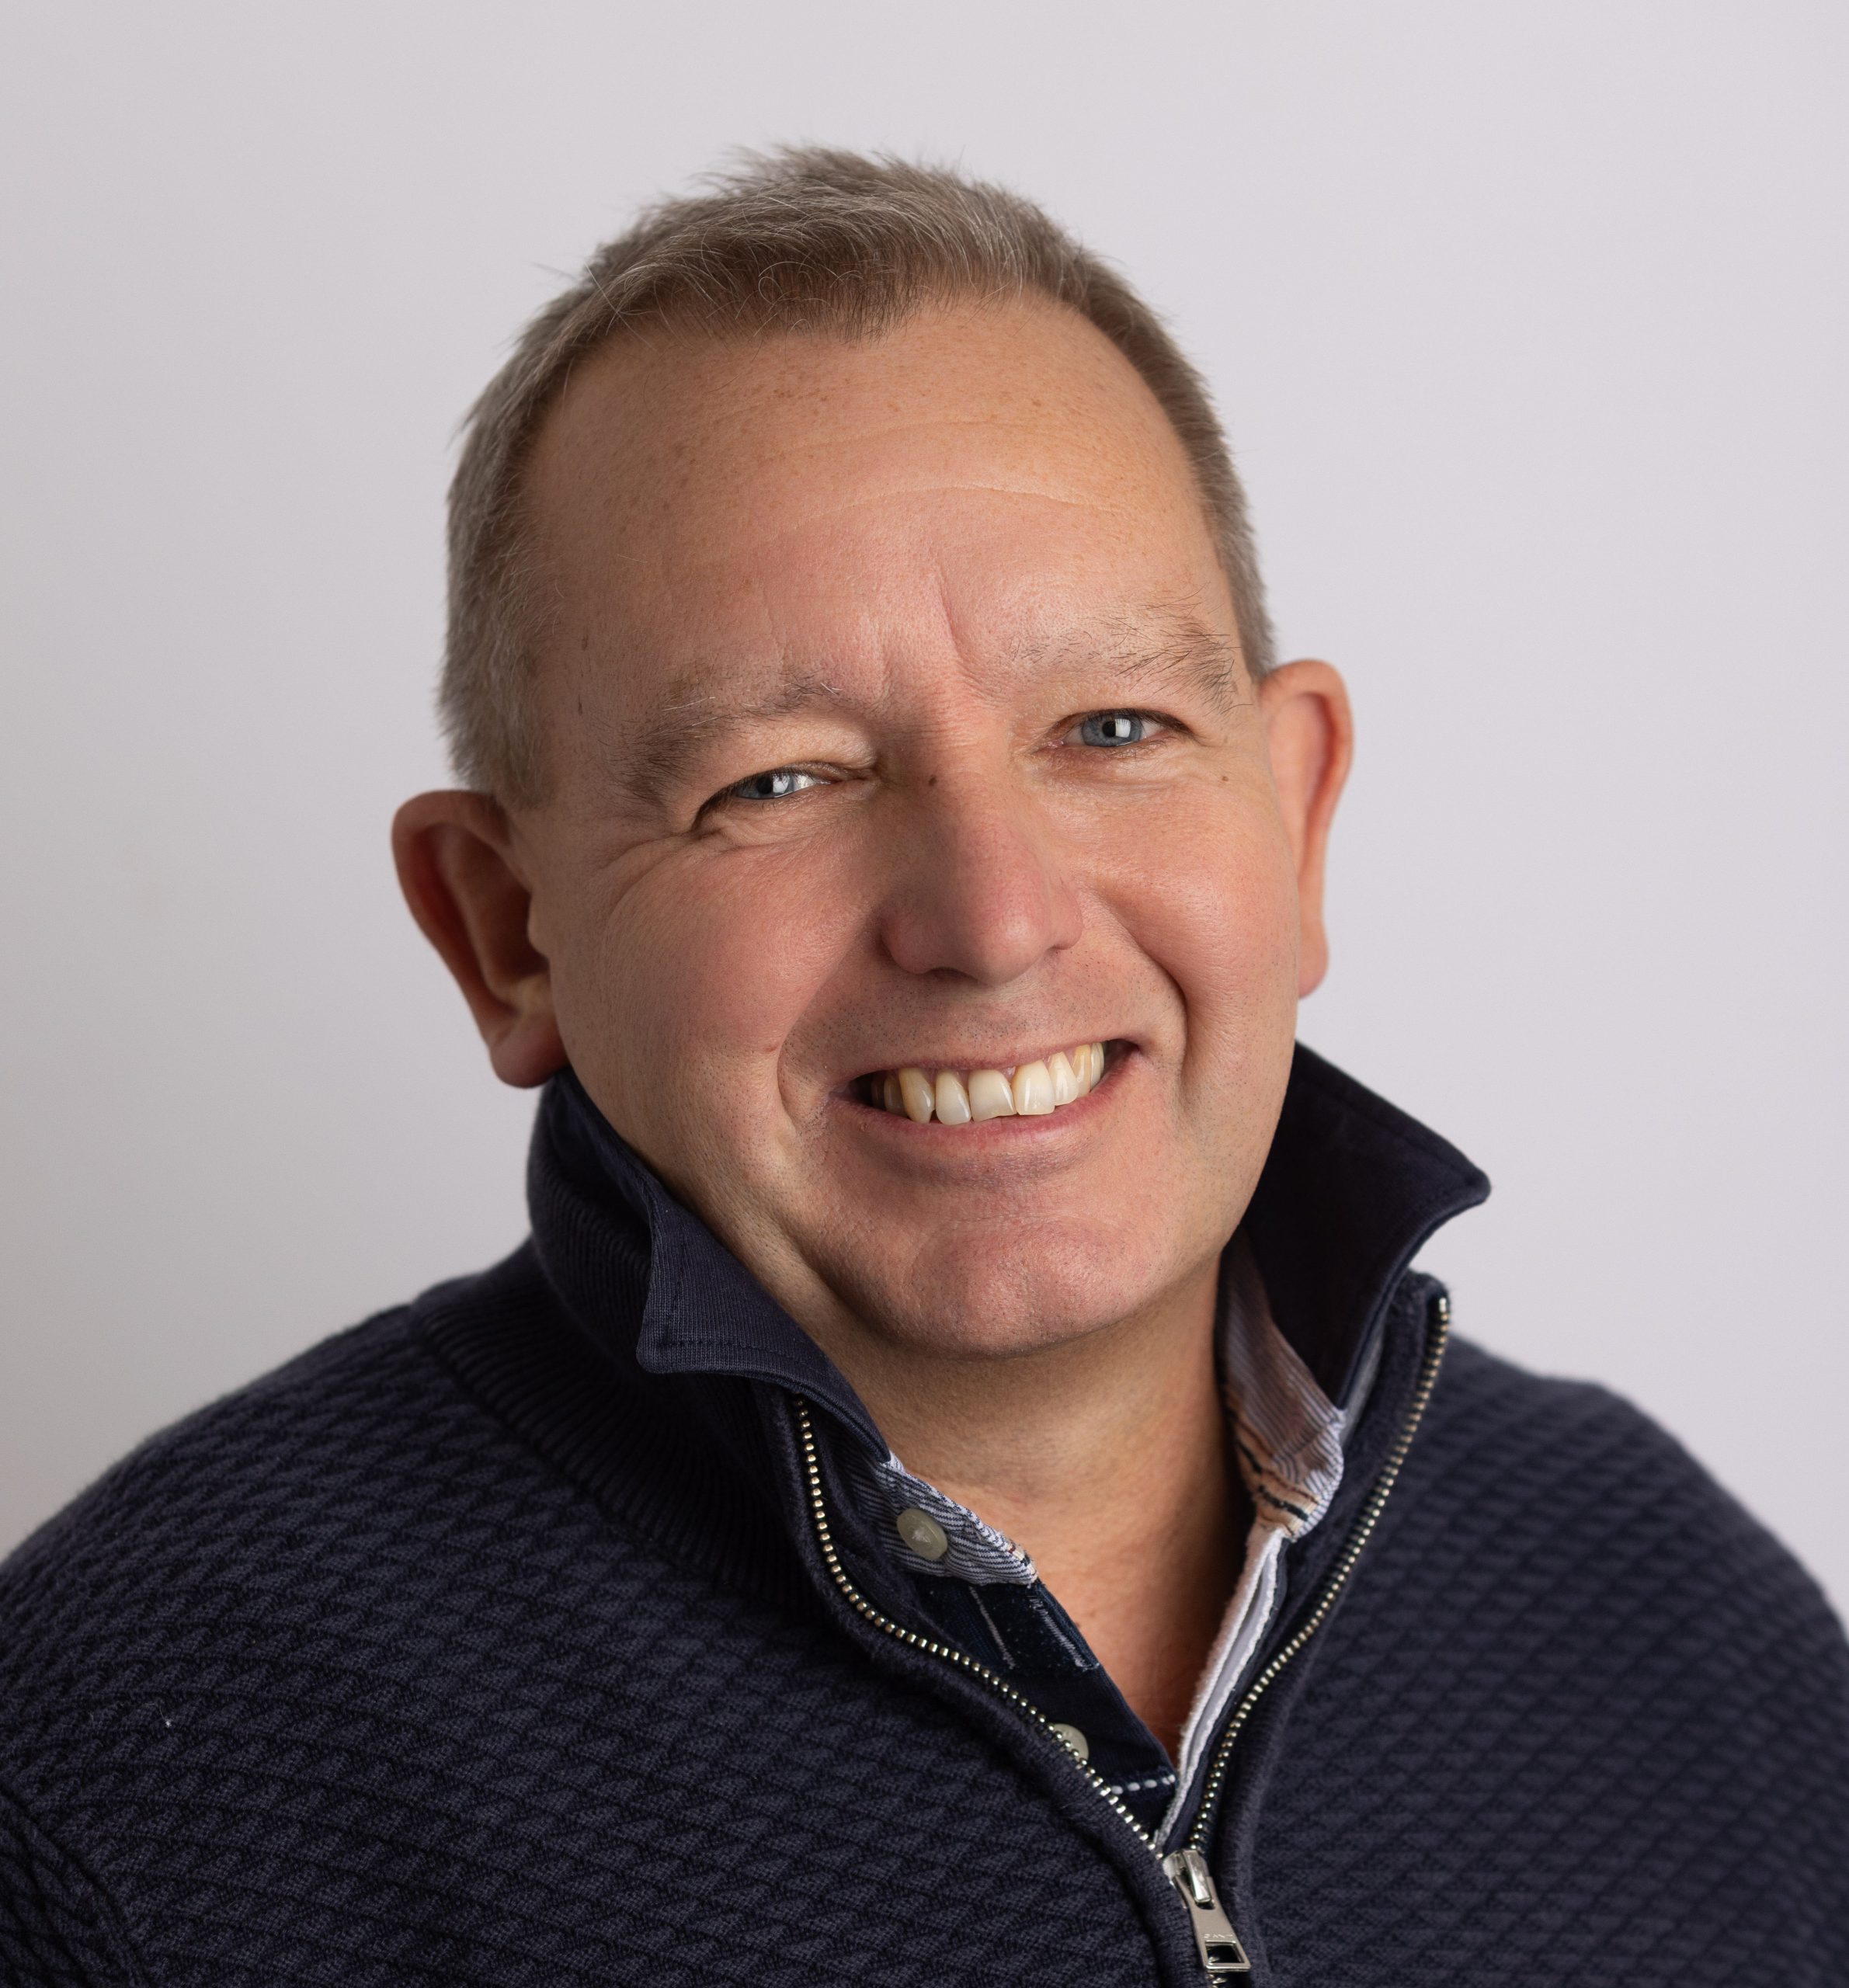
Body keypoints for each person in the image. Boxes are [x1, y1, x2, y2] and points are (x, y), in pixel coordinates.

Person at [2, 149, 1844, 1988]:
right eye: (778, 779)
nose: (992, 916)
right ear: (505, 929)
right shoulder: (112, 1777)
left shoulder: (1682, 1621)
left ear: (1295, 818)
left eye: (1113, 725)